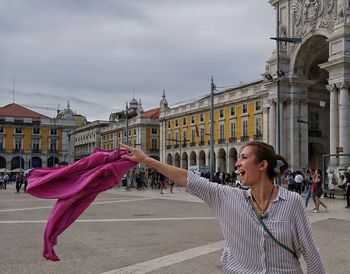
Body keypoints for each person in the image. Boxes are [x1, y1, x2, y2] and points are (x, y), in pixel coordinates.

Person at [120, 141, 326, 273]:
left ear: (262, 165)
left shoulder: (291, 202)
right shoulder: (226, 197)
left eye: (244, 158)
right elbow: (186, 177)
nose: (237, 164)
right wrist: (147, 160)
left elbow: (311, 253)